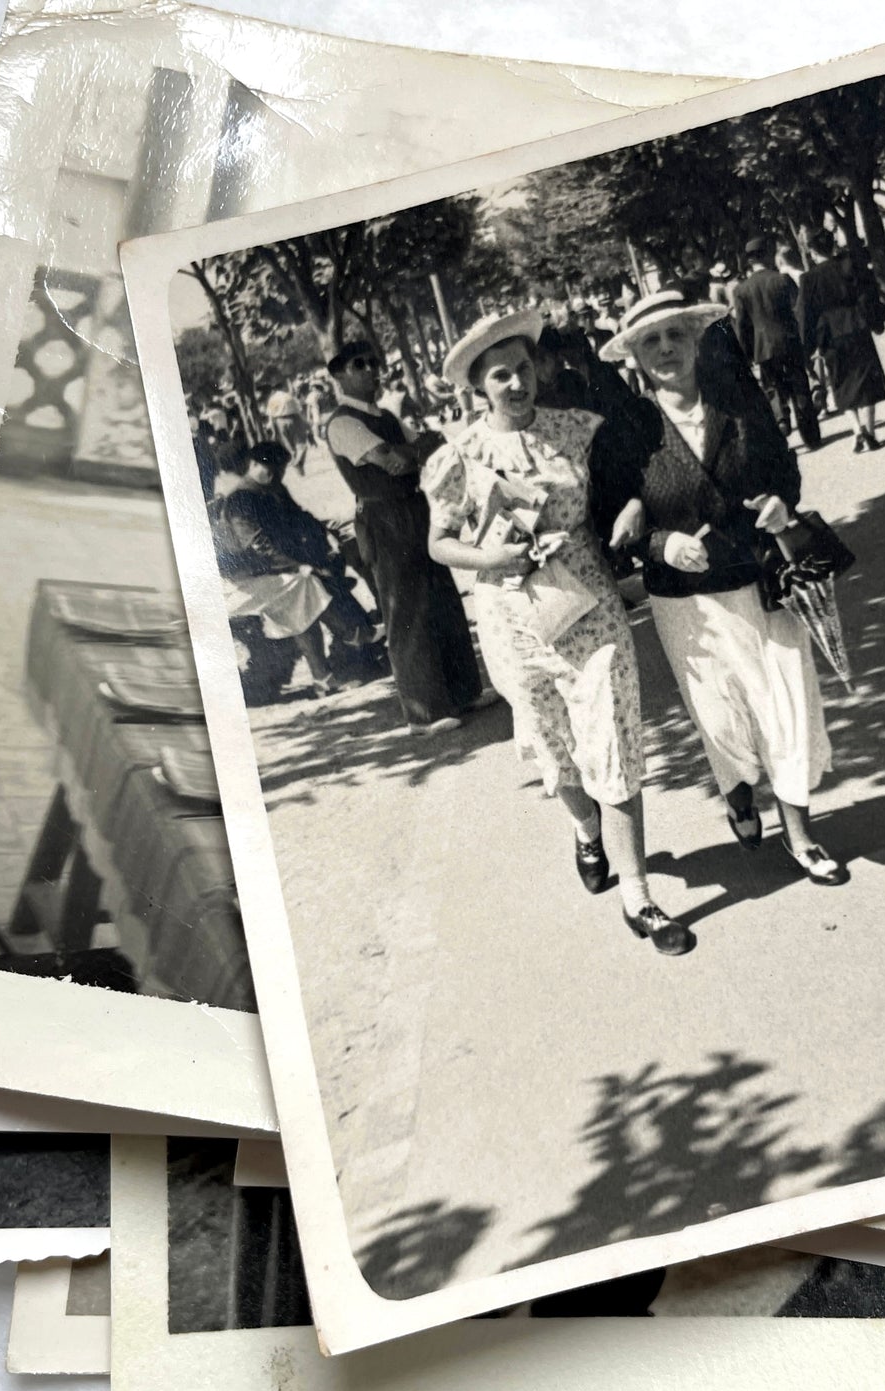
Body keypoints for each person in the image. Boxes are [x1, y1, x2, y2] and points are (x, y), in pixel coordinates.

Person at [421, 310, 695, 956]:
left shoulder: (578, 429)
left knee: (614, 737)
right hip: (512, 617)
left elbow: (630, 485)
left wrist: (632, 507)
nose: (516, 383)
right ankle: (585, 829)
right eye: (500, 375)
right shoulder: (458, 457)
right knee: (553, 743)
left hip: (589, 606)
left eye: (523, 368)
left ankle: (639, 896)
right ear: (478, 387)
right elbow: (438, 543)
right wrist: (488, 557)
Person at [596, 292, 844, 886]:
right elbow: (610, 520)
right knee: (722, 718)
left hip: (762, 580)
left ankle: (801, 836)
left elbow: (784, 471)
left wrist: (781, 503)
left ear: (697, 339)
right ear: (633, 356)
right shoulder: (626, 429)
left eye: (676, 335)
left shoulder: (738, 402)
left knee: (788, 706)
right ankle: (737, 796)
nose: (666, 349)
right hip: (688, 604)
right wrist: (660, 545)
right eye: (651, 341)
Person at [324, 338, 493, 736]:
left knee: (442, 596)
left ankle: (463, 692)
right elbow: (395, 461)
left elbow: (429, 450)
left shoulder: (385, 415)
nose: (371, 370)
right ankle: (424, 712)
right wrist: (413, 451)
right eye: (359, 365)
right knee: (406, 609)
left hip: (416, 507)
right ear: (339, 374)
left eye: (373, 362)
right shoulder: (343, 423)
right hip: (383, 518)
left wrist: (413, 451)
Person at [213, 441, 369, 698]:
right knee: (302, 585)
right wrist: (301, 566)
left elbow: (299, 517)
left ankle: (329, 669)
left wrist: (326, 531)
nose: (276, 474)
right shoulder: (240, 499)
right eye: (270, 468)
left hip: (267, 573)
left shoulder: (271, 488)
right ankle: (350, 637)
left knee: (302, 591)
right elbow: (259, 546)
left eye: (281, 469)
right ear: (253, 464)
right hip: (240, 581)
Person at [797, 229, 885, 452]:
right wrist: (876, 320)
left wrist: (806, 346)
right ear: (832, 246)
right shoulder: (849, 266)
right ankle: (870, 431)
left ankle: (857, 430)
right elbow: (867, 296)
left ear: (812, 252)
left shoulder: (808, 279)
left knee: (841, 381)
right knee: (866, 380)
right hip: (857, 326)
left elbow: (805, 315)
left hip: (830, 335)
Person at [732, 235, 822, 450]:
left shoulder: (741, 290)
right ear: (767, 255)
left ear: (749, 260)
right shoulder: (782, 280)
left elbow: (743, 326)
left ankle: (781, 419)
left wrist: (747, 353)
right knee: (799, 385)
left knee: (772, 387)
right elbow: (799, 310)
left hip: (762, 348)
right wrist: (805, 339)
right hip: (789, 342)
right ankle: (810, 434)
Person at [264, 385, 310, 471]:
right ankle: (299, 462)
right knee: (300, 443)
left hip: (279, 421)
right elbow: (298, 411)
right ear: (282, 388)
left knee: (288, 444)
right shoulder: (288, 396)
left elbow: (271, 415)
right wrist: (305, 423)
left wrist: (273, 429)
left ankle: (295, 460)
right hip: (293, 419)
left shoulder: (272, 399)